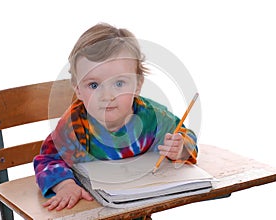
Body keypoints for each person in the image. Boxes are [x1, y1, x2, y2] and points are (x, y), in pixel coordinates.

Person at [33, 23, 198, 217]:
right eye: (93, 85)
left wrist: (180, 148)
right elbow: (48, 159)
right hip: (89, 213)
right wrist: (65, 185)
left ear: (138, 85)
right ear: (78, 89)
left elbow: (184, 135)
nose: (106, 95)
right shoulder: (73, 126)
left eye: (119, 83)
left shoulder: (152, 118)